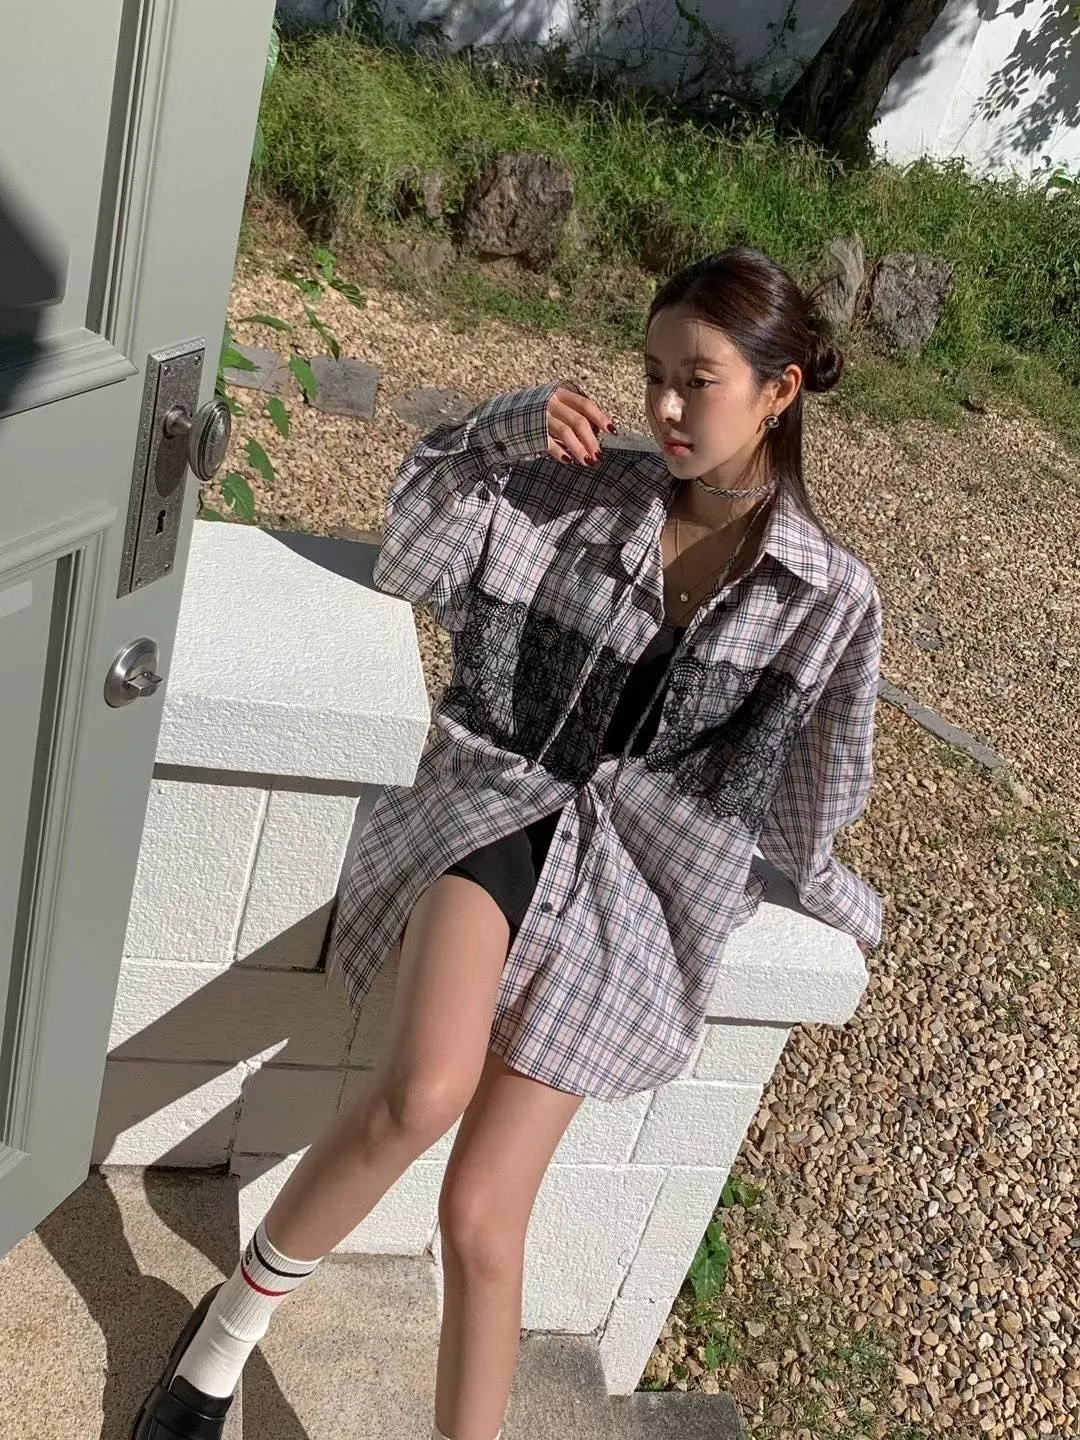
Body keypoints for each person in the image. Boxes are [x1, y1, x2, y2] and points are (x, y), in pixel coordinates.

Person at [131, 247, 882, 1440]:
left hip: (639, 893)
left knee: (485, 1216)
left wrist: (832, 890)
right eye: (653, 374)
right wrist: (500, 429)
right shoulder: (585, 491)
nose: (665, 407)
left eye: (697, 380)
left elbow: (821, 783)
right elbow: (412, 548)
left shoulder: (829, 598)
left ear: (779, 391)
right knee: (421, 1094)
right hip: (503, 806)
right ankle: (218, 1346)